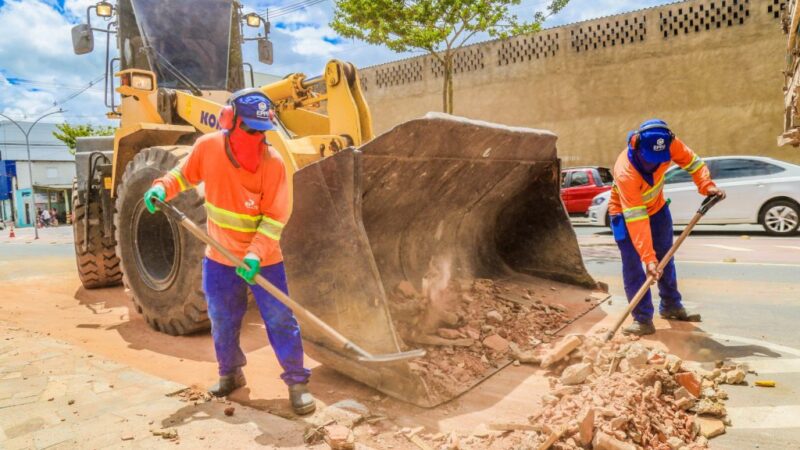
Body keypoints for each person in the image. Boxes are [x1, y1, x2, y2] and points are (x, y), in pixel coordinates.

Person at [142, 89, 316, 415]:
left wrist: (254, 255)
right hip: (220, 258)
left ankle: (297, 382)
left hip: (264, 260)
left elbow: (276, 217)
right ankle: (230, 373)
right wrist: (161, 186)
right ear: (228, 121)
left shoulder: (272, 164)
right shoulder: (208, 148)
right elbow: (184, 174)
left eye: (263, 131)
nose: (258, 137)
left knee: (280, 320)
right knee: (222, 320)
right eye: (250, 129)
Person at [608, 119, 725, 336]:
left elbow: (694, 163)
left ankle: (671, 306)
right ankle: (642, 319)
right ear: (635, 145)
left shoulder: (669, 144)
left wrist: (706, 186)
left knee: (666, 257)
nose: (655, 164)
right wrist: (648, 258)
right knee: (634, 265)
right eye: (649, 159)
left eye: (659, 160)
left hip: (657, 208)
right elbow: (636, 218)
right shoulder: (625, 171)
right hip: (625, 215)